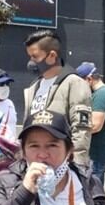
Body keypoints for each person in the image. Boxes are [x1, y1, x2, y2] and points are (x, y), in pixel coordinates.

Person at [23, 29, 93, 167]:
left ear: (52, 55)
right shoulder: (33, 87)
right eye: (30, 56)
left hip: (62, 164)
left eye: (35, 57)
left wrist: (78, 165)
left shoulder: (74, 83)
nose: (31, 62)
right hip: (35, 163)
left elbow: (81, 129)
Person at [76, 62, 105, 184]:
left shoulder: (101, 96)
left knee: (94, 192)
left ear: (89, 79)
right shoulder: (100, 93)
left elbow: (95, 126)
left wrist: (74, 129)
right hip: (96, 152)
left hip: (96, 153)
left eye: (80, 83)